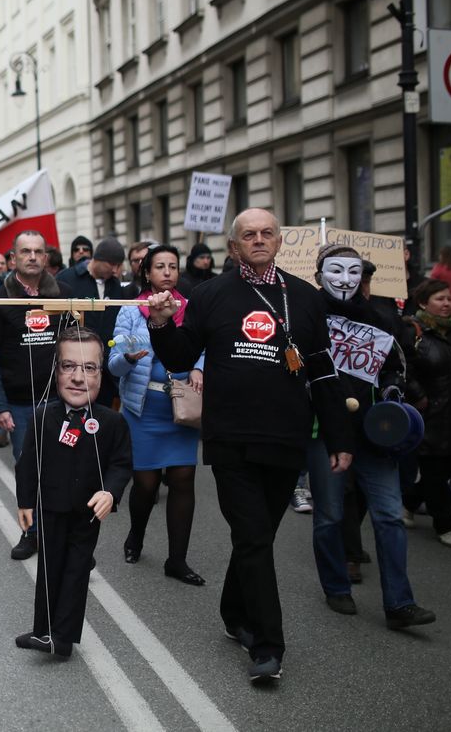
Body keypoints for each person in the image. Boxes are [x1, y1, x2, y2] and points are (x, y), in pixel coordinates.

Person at [145, 208, 353, 685]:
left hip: (286, 439)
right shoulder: (210, 295)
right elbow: (179, 356)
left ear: (279, 241)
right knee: (255, 537)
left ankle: (233, 611)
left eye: (266, 233)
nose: (258, 240)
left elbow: (322, 372)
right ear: (234, 246)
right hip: (230, 439)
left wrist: (339, 436)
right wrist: (161, 324)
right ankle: (267, 646)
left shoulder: (304, 298)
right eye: (248, 235)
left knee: (256, 538)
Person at [305, 246, 436, 628]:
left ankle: (399, 603)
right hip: (325, 434)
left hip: (373, 434)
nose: (346, 280)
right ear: (320, 275)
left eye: (354, 273)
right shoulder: (305, 316)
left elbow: (396, 367)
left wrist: (394, 391)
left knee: (390, 518)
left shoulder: (381, 319)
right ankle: (336, 587)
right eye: (336, 272)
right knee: (329, 516)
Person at [14, 325, 132, 659]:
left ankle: (63, 637)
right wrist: (25, 502)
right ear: (55, 369)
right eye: (69, 366)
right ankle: (43, 631)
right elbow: (27, 463)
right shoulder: (42, 417)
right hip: (50, 507)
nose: (78, 377)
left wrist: (110, 492)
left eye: (89, 368)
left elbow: (121, 465)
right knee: (49, 568)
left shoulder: (111, 423)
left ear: (100, 372)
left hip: (87, 513)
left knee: (77, 570)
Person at [108, 244, 205, 586]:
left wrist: (198, 368)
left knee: (182, 480)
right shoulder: (132, 311)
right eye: (159, 266)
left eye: (173, 266)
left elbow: (205, 347)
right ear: (146, 273)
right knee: (146, 485)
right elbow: (114, 364)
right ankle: (136, 535)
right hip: (144, 409)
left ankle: (177, 560)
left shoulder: (191, 309)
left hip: (181, 408)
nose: (167, 271)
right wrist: (129, 358)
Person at [0, 231, 75, 560]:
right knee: (29, 469)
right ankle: (32, 532)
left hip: (61, 402)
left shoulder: (65, 295)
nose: (33, 256)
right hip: (18, 406)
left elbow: (77, 346)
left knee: (65, 468)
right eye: (26, 251)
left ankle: (66, 537)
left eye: (39, 251)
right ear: (14, 258)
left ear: (46, 258)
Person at [400, 279, 451, 548]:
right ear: (424, 303)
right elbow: (405, 370)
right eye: (439, 299)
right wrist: (420, 397)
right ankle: (446, 524)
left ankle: (409, 500)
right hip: (429, 416)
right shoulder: (413, 331)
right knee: (435, 471)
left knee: (450, 466)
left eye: (448, 298)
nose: (446, 303)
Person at [58, 237, 129, 406]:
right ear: (98, 259)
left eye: (118, 265)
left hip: (104, 369)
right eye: (112, 264)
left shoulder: (115, 285)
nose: (115, 270)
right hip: (73, 365)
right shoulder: (67, 278)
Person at [428, 246, 451, 324]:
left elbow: (432, 283)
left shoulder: (439, 268)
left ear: (443, 256)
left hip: (443, 298)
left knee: (443, 323)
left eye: (440, 255)